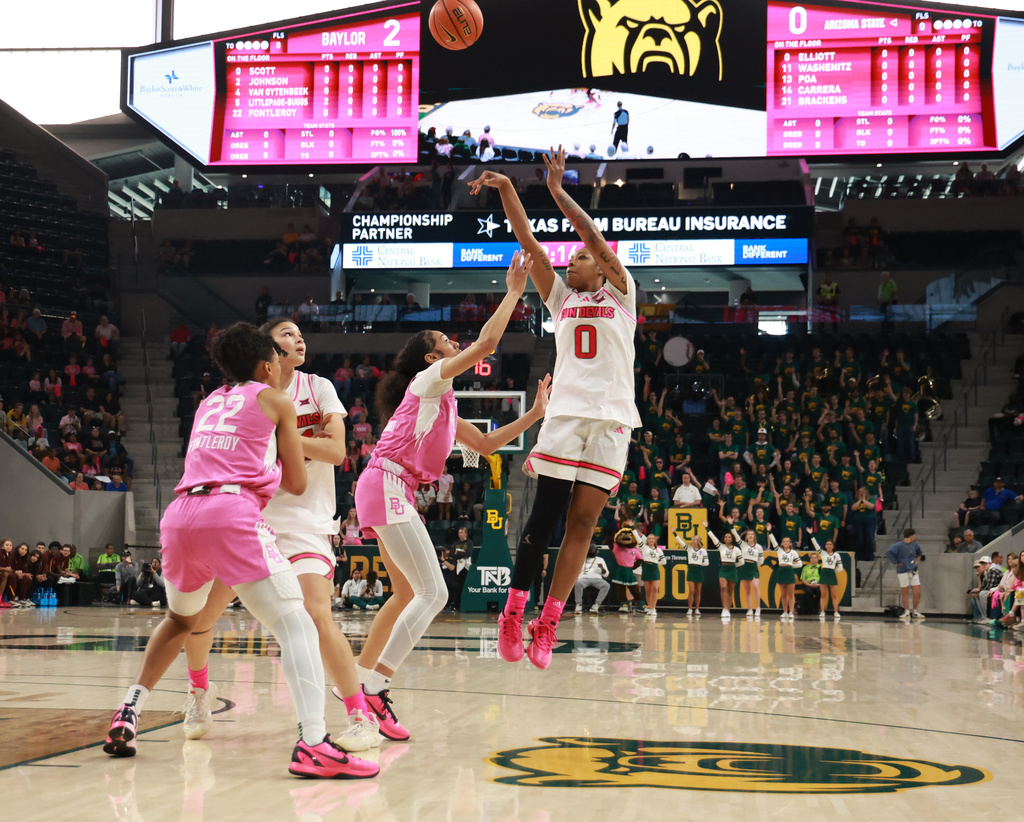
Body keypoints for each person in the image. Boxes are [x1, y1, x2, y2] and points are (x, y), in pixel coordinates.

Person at [102, 321, 378, 779]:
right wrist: (273, 458)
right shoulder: (277, 399)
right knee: (297, 625)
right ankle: (314, 743)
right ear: (268, 365)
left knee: (180, 620)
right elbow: (296, 481)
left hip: (181, 515)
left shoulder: (211, 401)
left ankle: (129, 710)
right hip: (232, 515)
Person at [353, 251, 550, 740]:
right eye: (445, 341)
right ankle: (375, 686)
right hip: (387, 482)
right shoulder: (428, 381)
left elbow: (483, 445)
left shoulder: (442, 402)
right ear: (431, 357)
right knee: (434, 592)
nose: (454, 342)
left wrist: (535, 415)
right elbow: (486, 343)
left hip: (387, 486)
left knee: (406, 594)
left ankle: (356, 681)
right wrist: (513, 292)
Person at [471, 147, 642, 671]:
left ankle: (548, 620)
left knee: (584, 524)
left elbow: (591, 233)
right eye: (572, 259)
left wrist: (557, 191)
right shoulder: (563, 298)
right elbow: (529, 243)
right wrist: (506, 190)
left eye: (584, 258)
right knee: (543, 517)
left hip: (611, 416)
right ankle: (512, 612)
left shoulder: (623, 294)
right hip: (566, 414)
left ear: (605, 265)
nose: (576, 259)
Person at [174, 317, 380, 753]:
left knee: (317, 616)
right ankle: (197, 695)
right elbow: (314, 445)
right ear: (265, 353)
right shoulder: (240, 398)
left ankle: (360, 715)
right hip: (245, 520)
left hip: (305, 522)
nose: (298, 338)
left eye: (300, 334)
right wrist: (298, 437)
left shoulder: (317, 387)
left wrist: (285, 439)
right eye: (287, 334)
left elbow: (336, 450)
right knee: (199, 620)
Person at [886, 527, 924, 621]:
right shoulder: (899, 545)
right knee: (905, 591)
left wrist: (916, 562)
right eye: (914, 535)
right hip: (903, 571)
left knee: (917, 591)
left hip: (913, 570)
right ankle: (906, 611)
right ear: (911, 536)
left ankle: (915, 610)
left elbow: (920, 554)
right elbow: (889, 552)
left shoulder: (915, 545)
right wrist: (896, 562)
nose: (914, 537)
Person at [610, 525, 643, 613]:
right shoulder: (618, 548)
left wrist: (633, 567)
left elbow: (640, 559)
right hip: (620, 570)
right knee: (621, 589)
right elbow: (611, 543)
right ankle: (624, 604)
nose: (626, 536)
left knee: (634, 589)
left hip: (629, 571)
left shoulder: (634, 550)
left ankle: (641, 605)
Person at [573, 544, 610, 614]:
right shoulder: (581, 559)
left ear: (597, 551)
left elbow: (606, 574)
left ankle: (596, 605)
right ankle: (578, 604)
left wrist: (602, 568)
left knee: (606, 585)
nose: (592, 550)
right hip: (583, 579)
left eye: (593, 549)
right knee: (578, 583)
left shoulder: (600, 559)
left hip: (597, 579)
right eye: (590, 549)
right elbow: (576, 571)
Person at [736, 528, 764, 619]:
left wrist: (755, 563)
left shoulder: (758, 547)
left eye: (752, 534)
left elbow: (761, 560)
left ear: (754, 536)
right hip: (744, 567)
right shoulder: (743, 545)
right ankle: (750, 609)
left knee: (755, 586)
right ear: (746, 536)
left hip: (753, 567)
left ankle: (758, 608)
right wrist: (731, 525)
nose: (750, 536)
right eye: (749, 534)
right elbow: (736, 536)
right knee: (747, 590)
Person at [713, 530, 740, 619]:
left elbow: (741, 561)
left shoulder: (736, 549)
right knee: (723, 587)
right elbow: (713, 538)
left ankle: (728, 609)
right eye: (726, 537)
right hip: (723, 569)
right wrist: (707, 528)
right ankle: (724, 608)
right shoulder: (721, 547)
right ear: (723, 539)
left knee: (730, 591)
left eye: (729, 537)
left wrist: (735, 567)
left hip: (732, 569)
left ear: (732, 539)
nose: (727, 538)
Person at [969, 555, 1003, 623]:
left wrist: (980, 591)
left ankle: (987, 616)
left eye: (985, 563)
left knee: (982, 594)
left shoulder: (993, 570)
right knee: (977, 594)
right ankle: (983, 615)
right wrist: (978, 592)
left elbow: (991, 585)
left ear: (990, 563)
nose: (983, 565)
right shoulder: (986, 571)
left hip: (997, 589)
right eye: (982, 564)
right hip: (991, 589)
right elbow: (984, 585)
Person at [775, 536, 802, 620]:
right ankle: (784, 611)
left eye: (787, 541)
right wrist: (770, 532)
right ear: (782, 544)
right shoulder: (779, 551)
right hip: (781, 572)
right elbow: (773, 542)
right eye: (784, 541)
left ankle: (791, 611)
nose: (786, 543)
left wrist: (790, 565)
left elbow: (800, 563)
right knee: (783, 594)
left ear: (790, 543)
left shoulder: (793, 552)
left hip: (789, 572)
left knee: (790, 594)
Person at [639, 534, 666, 618]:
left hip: (654, 569)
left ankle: (653, 608)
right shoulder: (644, 547)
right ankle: (650, 608)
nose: (650, 540)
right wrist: (632, 528)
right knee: (648, 590)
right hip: (646, 568)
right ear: (647, 540)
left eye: (652, 538)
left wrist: (655, 562)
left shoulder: (659, 550)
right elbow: (637, 537)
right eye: (649, 538)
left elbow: (664, 561)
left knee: (655, 588)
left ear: (655, 540)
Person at [817, 538, 844, 620]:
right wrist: (811, 535)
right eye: (827, 544)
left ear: (833, 546)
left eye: (830, 544)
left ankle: (836, 611)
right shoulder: (823, 553)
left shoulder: (836, 555)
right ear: (825, 546)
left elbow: (840, 567)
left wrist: (833, 571)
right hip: (824, 573)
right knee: (823, 594)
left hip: (831, 573)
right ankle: (822, 611)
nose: (828, 546)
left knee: (834, 595)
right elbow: (816, 545)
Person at [684, 534, 708, 617]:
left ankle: (697, 608)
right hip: (691, 570)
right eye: (691, 540)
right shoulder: (689, 549)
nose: (692, 541)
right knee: (691, 591)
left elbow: (706, 563)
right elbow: (680, 542)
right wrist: (674, 533)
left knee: (698, 591)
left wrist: (699, 563)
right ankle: (690, 608)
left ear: (698, 541)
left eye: (694, 540)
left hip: (699, 570)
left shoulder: (703, 551)